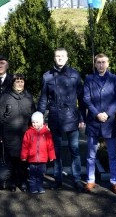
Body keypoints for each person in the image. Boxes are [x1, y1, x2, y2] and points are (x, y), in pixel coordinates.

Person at [37, 47, 85, 192]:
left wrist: (82, 118)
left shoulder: (75, 75)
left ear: (67, 58)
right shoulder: (47, 77)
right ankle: (58, 180)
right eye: (57, 56)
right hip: (55, 118)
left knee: (74, 150)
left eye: (62, 56)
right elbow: (43, 98)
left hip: (72, 118)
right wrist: (39, 115)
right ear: (54, 57)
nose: (60, 58)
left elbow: (81, 99)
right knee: (56, 152)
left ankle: (76, 179)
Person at [83, 53, 116, 194]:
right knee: (91, 154)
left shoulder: (115, 79)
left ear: (108, 63)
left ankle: (114, 182)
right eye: (98, 62)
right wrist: (96, 113)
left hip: (109, 121)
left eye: (103, 62)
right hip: (94, 121)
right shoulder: (89, 79)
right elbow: (86, 99)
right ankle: (90, 180)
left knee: (112, 154)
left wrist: (107, 113)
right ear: (95, 64)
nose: (101, 65)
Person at [0, 74, 36, 192]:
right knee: (11, 159)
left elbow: (33, 114)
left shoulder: (28, 97)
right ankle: (12, 182)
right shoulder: (5, 97)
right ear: (13, 83)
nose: (19, 83)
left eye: (22, 81)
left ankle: (22, 181)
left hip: (25, 134)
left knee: (24, 159)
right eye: (17, 81)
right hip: (10, 134)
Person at [21, 111, 56, 194]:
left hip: (42, 158)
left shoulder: (46, 132)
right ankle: (33, 187)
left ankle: (40, 186)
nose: (35, 124)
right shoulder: (28, 132)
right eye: (33, 122)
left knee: (40, 174)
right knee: (32, 175)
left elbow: (50, 145)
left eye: (37, 122)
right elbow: (25, 145)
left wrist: (51, 156)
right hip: (32, 158)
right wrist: (23, 156)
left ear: (41, 122)